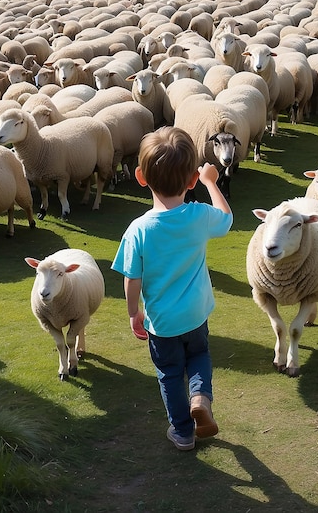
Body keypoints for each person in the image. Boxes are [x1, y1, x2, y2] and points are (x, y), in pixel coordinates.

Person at [111, 126, 233, 451]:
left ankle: (182, 431)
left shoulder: (138, 230)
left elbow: (131, 279)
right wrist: (211, 182)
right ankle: (200, 398)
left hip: (161, 322)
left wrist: (133, 313)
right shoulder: (199, 215)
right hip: (196, 313)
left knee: (168, 372)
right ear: (191, 180)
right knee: (200, 355)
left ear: (140, 176)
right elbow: (226, 218)